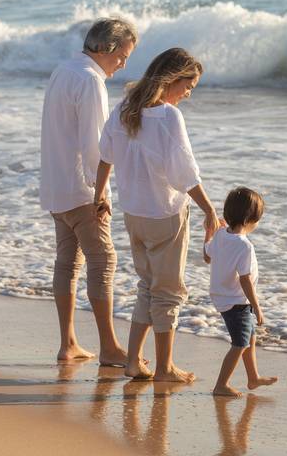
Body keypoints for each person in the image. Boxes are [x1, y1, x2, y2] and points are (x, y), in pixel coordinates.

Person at [94, 47, 221, 382]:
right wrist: (209, 208)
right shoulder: (167, 116)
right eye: (188, 86)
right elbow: (184, 172)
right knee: (167, 292)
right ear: (171, 80)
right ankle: (164, 368)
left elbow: (105, 154)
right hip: (165, 214)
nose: (188, 94)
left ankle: (134, 361)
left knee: (147, 286)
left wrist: (99, 196)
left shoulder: (124, 107)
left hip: (133, 212)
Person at [40, 17, 137, 365]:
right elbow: (95, 145)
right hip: (82, 190)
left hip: (55, 184)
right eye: (123, 55)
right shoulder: (91, 80)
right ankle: (110, 348)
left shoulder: (63, 70)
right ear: (106, 49)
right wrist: (101, 192)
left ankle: (68, 344)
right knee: (104, 260)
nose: (124, 63)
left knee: (67, 263)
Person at [204, 187, 278, 397]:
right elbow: (245, 280)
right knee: (239, 343)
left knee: (250, 338)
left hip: (223, 297)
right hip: (237, 301)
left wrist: (208, 232)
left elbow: (207, 256)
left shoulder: (220, 235)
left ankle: (253, 378)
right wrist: (256, 306)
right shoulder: (244, 246)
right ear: (251, 219)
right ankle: (221, 385)